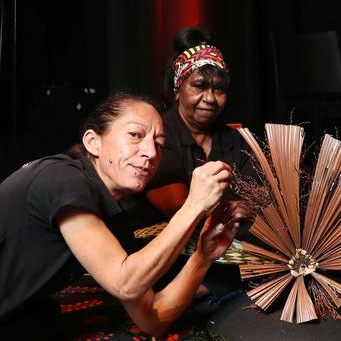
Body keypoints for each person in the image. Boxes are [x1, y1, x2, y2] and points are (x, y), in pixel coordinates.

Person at [0, 92, 242, 337]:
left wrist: (203, 257)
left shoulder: (115, 218)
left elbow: (152, 319)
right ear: (93, 142)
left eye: (159, 144)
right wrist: (193, 206)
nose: (151, 152)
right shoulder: (61, 178)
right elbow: (125, 284)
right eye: (135, 135)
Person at [142, 27, 253, 309]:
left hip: (226, 250)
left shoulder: (235, 139)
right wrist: (232, 208)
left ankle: (205, 291)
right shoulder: (159, 135)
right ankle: (192, 292)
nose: (210, 98)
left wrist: (247, 207)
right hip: (170, 252)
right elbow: (179, 211)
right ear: (178, 89)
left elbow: (260, 201)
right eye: (199, 86)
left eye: (219, 89)